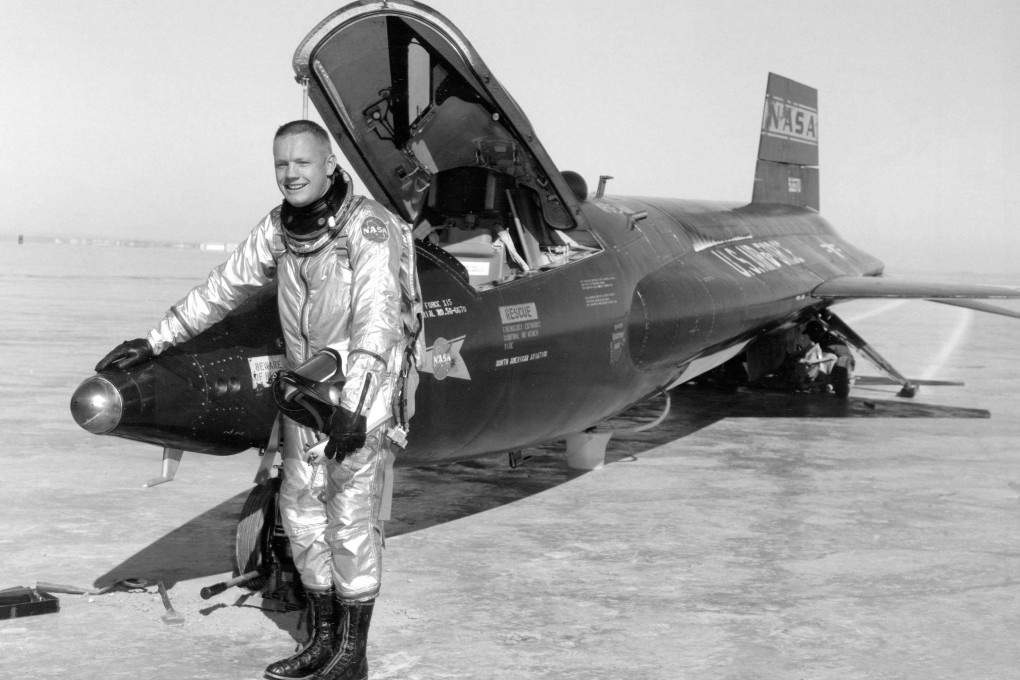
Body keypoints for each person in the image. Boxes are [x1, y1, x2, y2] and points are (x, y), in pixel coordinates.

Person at [95, 120, 422, 680]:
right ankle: (321, 640)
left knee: (350, 521)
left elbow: (377, 323)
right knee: (300, 515)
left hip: (358, 396)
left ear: (327, 165)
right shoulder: (280, 228)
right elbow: (222, 288)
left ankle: (352, 654)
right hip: (305, 397)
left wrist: (358, 406)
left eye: (301, 163)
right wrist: (154, 340)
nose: (290, 173)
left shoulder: (367, 229)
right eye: (281, 164)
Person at [803, 319, 855, 397]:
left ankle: (841, 382)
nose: (810, 338)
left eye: (810, 335)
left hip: (843, 363)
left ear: (815, 333)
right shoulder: (827, 337)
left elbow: (822, 360)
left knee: (840, 393)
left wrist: (810, 376)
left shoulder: (826, 341)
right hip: (846, 363)